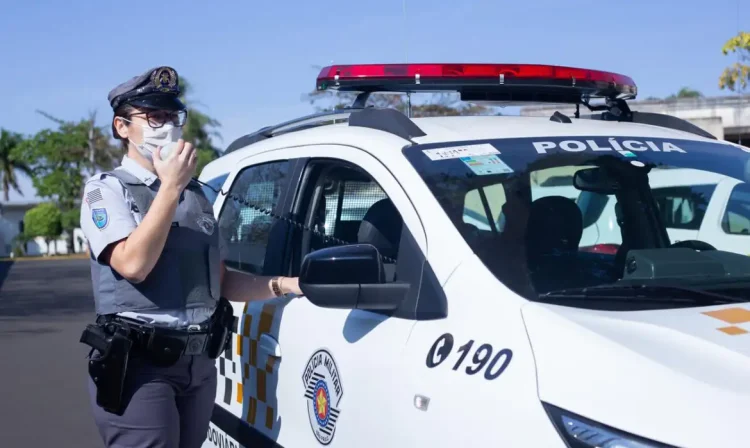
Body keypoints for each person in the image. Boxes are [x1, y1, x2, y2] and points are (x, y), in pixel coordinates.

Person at [79, 66, 302, 448]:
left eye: (172, 116)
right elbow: (133, 265)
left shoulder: (196, 195)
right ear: (122, 127)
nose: (167, 126)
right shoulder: (107, 190)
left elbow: (221, 280)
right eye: (154, 116)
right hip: (142, 367)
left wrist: (287, 285)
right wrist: (170, 186)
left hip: (198, 364)